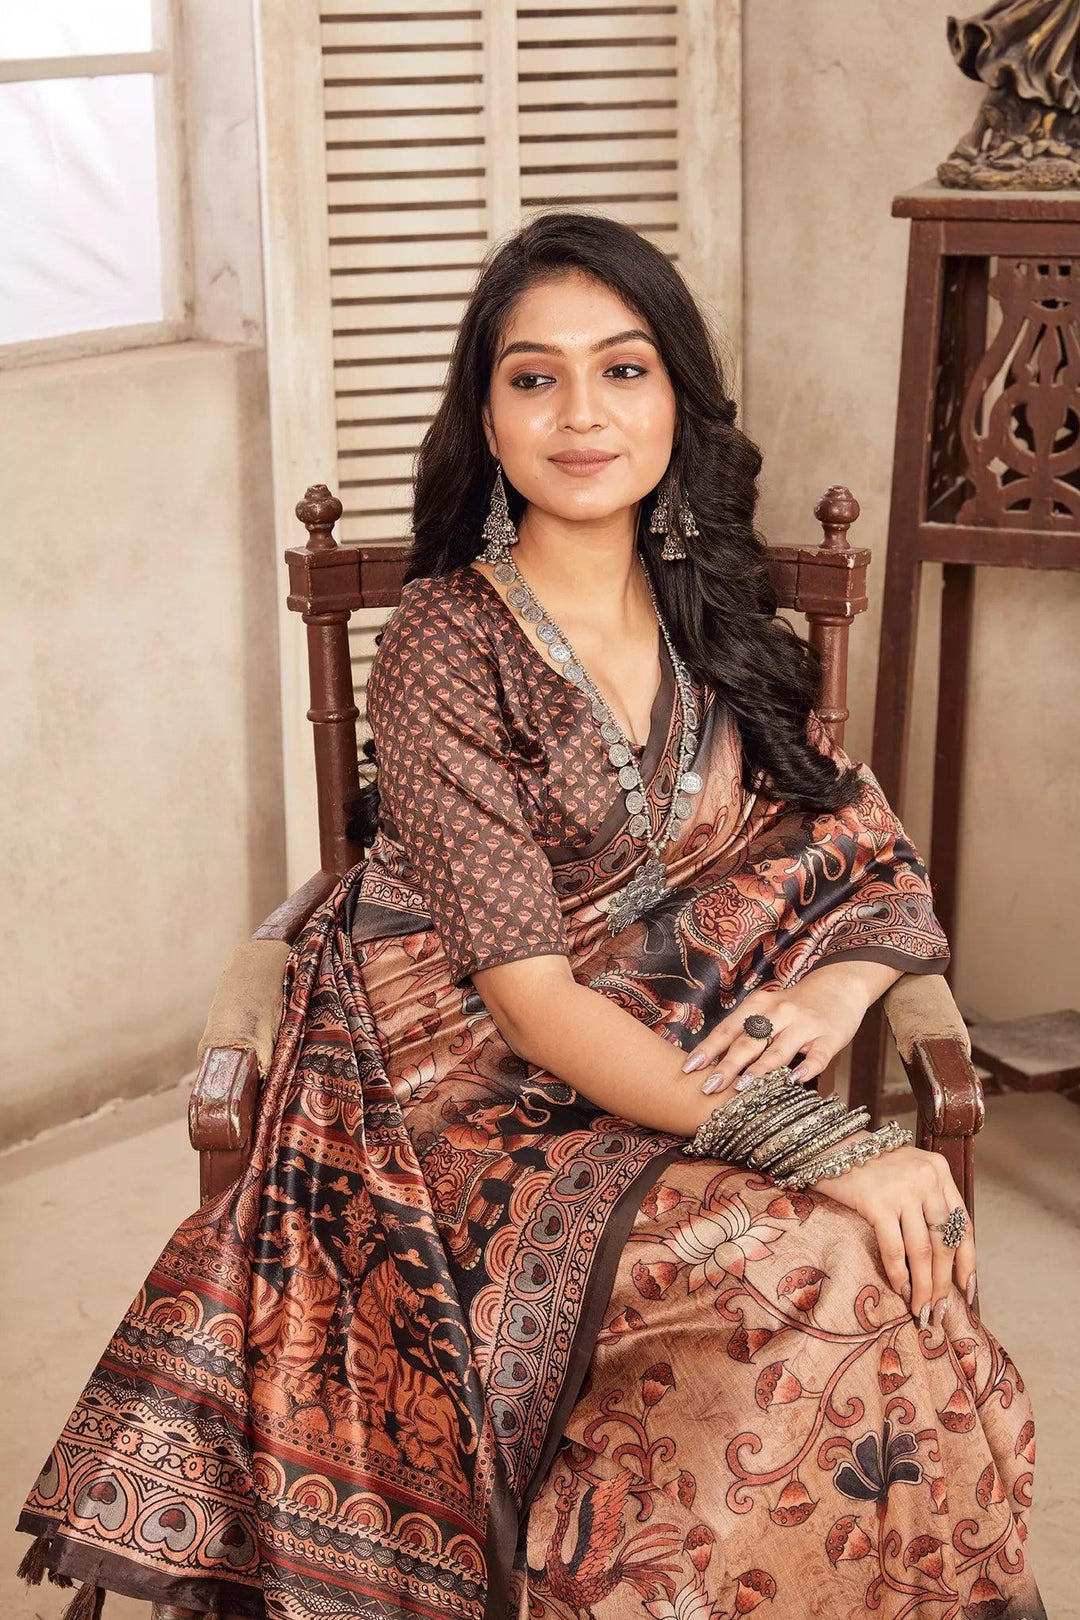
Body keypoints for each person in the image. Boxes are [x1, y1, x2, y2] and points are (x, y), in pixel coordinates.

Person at [17, 211, 1045, 1620]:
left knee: (861, 1269)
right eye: (533, 376)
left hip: (675, 1075)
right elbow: (529, 1000)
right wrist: (829, 1145)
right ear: (486, 421)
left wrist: (832, 997)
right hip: (466, 1103)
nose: (581, 414)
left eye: (622, 371)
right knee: (825, 1253)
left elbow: (853, 844)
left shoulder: (723, 628)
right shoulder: (446, 641)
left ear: (677, 403)